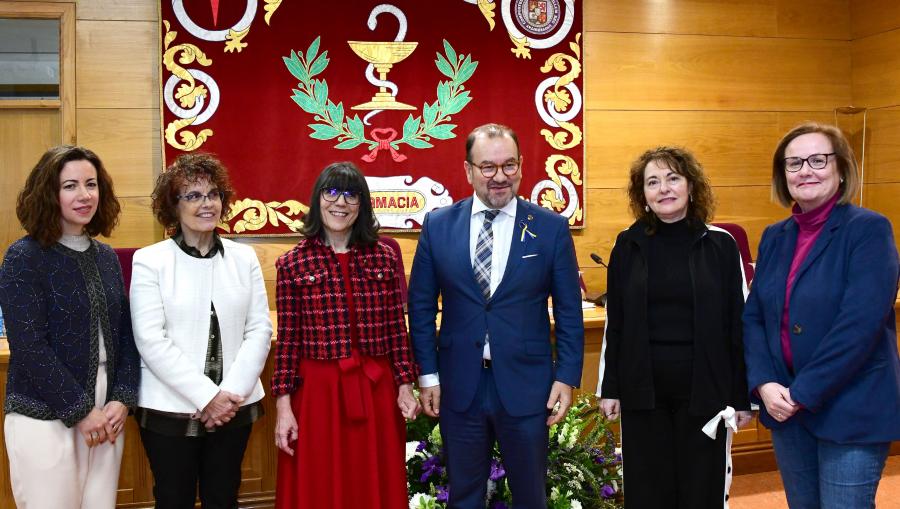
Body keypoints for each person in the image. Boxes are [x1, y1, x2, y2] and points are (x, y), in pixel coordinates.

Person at [408, 123, 585, 509]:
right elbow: (420, 308)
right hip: (459, 386)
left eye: (509, 165)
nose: (500, 176)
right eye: (488, 167)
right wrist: (427, 375)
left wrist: (567, 376)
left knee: (530, 496)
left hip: (527, 385)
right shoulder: (438, 227)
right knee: (465, 496)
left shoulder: (550, 229)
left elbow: (569, 311)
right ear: (469, 170)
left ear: (521, 167)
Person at [743, 123, 900, 508]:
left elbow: (858, 327)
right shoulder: (775, 236)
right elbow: (755, 318)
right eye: (793, 163)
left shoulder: (869, 230)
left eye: (817, 159)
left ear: (841, 168)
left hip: (849, 407)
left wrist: (802, 393)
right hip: (785, 409)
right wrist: (764, 384)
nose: (804, 170)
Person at [597, 146, 752, 508]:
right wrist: (611, 388)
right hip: (642, 393)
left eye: (673, 178)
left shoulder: (721, 245)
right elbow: (615, 322)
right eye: (653, 182)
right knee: (648, 491)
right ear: (644, 196)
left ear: (691, 187)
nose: (663, 188)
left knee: (702, 491)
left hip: (706, 393)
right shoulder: (627, 244)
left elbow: (738, 326)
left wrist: (743, 395)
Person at [271, 161, 420, 509]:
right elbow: (288, 341)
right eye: (332, 191)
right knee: (321, 482)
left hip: (376, 389)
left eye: (351, 194)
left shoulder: (384, 257)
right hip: (318, 393)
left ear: (362, 204)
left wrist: (404, 385)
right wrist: (283, 408)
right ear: (317, 198)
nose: (341, 202)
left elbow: (398, 330)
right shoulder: (293, 263)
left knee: (375, 480)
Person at [129, 153, 272, 509]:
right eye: (192, 196)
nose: (206, 203)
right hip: (169, 409)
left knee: (223, 497)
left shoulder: (244, 259)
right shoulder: (150, 261)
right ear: (172, 207)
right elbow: (151, 340)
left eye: (213, 194)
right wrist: (207, 396)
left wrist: (229, 395)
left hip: (234, 407)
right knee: (173, 498)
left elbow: (259, 328)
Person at [0, 145, 140, 508]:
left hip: (105, 415)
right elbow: (29, 346)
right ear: (49, 192)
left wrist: (122, 399)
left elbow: (126, 336)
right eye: (71, 186)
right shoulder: (23, 256)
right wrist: (80, 411)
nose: (85, 195)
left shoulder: (107, 257)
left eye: (91, 184)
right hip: (44, 415)